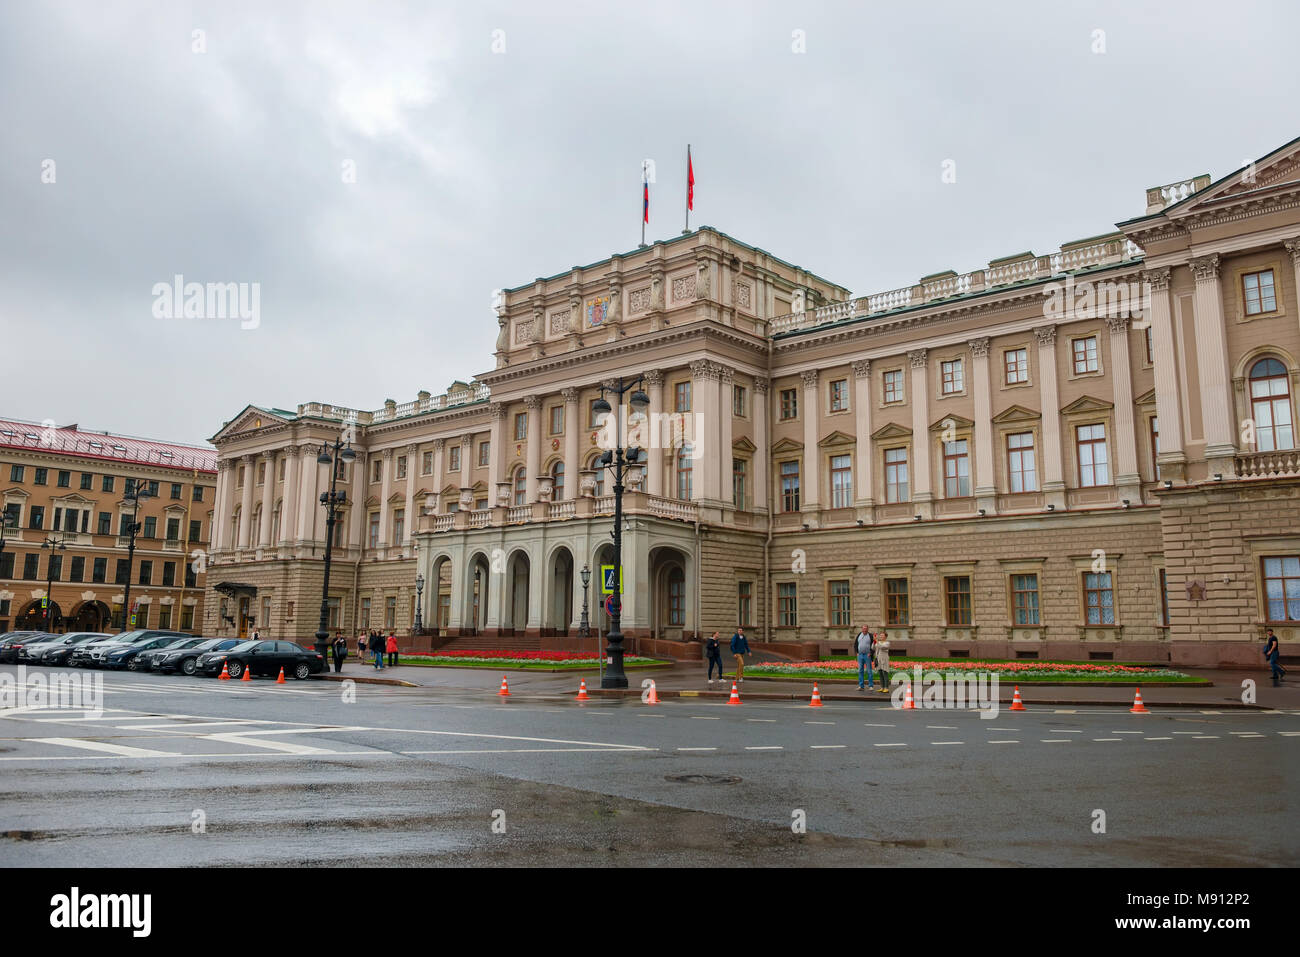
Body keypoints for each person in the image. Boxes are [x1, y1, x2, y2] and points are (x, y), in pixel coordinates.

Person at [854, 624, 875, 691]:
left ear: (867, 629)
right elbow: (855, 644)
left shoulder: (870, 635)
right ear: (862, 629)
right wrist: (857, 652)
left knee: (869, 671)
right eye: (863, 628)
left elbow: (873, 645)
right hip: (860, 655)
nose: (865, 630)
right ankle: (861, 686)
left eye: (866, 628)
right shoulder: (859, 635)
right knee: (860, 670)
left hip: (867, 655)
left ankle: (871, 686)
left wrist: (871, 653)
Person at [873, 627, 891, 693]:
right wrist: (874, 641)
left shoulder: (887, 643)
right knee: (880, 673)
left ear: (885, 637)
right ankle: (882, 687)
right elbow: (872, 648)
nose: (881, 637)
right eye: (880, 635)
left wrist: (877, 641)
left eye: (882, 636)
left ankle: (886, 688)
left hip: (884, 660)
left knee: (885, 673)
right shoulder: (879, 642)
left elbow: (882, 647)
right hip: (878, 659)